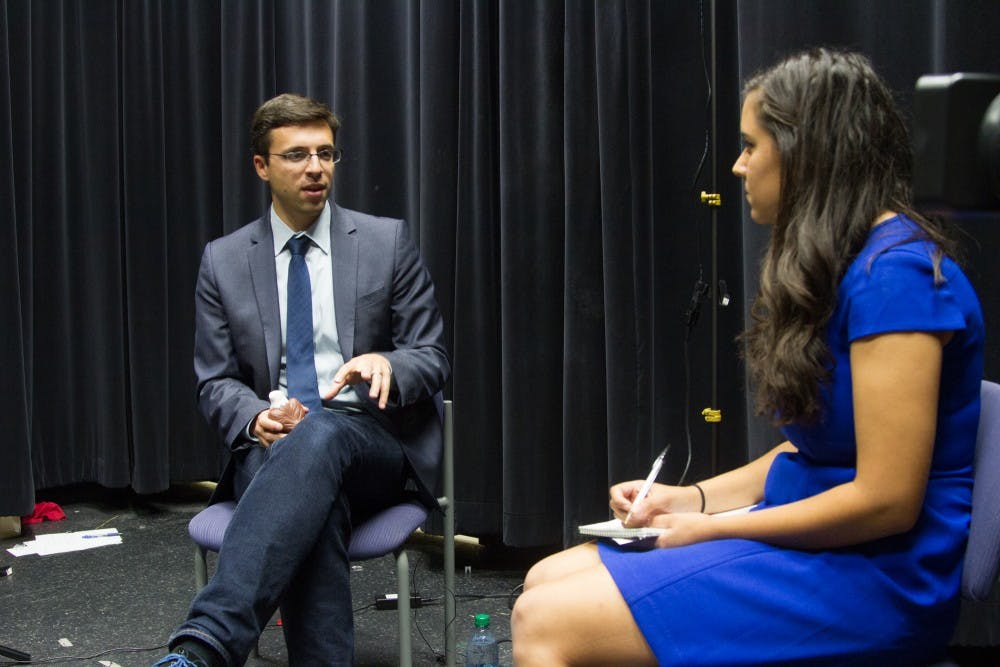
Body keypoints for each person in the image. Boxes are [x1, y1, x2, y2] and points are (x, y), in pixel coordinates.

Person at [510, 49, 985, 666]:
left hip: (876, 577)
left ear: (805, 154)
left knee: (543, 620)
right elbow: (812, 450)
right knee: (543, 578)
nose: (736, 167)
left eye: (749, 146)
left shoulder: (899, 277)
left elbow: (886, 499)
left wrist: (713, 528)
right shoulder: (844, 262)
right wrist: (687, 500)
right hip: (816, 544)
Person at [154, 93, 449, 666]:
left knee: (323, 435)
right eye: (296, 156)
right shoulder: (224, 260)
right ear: (262, 166)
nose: (316, 168)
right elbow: (215, 381)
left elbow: (431, 354)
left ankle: (206, 644)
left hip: (372, 444)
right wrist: (254, 417)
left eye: (326, 154)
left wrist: (390, 362)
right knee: (313, 489)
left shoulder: (387, 242)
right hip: (275, 451)